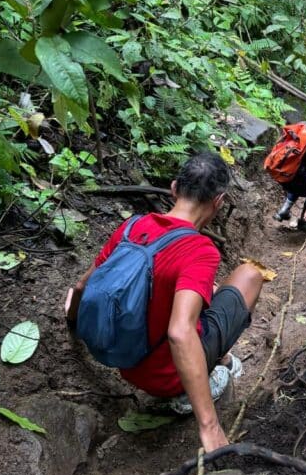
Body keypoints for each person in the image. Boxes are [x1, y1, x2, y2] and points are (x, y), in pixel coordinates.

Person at [65, 152, 264, 451]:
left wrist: (72, 321)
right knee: (249, 275)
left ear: (173, 188)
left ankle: (219, 360)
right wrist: (209, 426)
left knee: (198, 290)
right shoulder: (200, 250)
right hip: (168, 378)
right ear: (219, 202)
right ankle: (197, 386)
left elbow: (83, 285)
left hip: (126, 362)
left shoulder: (132, 227)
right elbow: (179, 332)